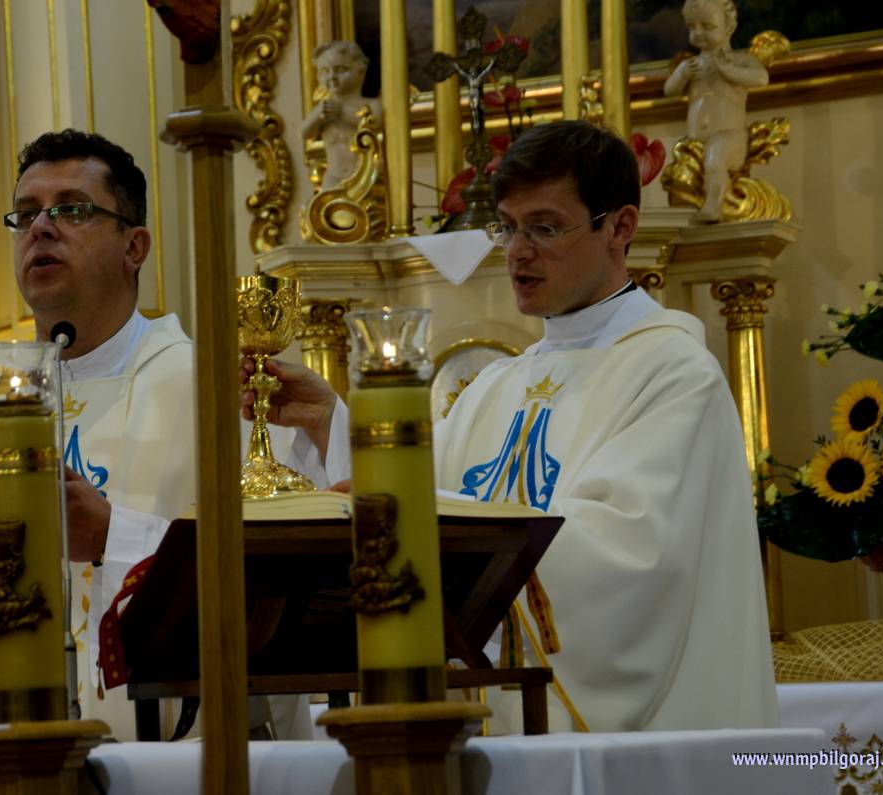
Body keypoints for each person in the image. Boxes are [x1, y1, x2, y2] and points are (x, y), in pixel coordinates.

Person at [253, 120, 779, 732]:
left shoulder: (673, 372)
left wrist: (428, 520)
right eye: (507, 226)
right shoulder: (500, 385)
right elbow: (420, 492)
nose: (516, 251)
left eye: (545, 228)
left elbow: (631, 556)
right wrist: (326, 422)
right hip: (483, 724)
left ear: (620, 228)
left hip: (632, 744)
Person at [0, 129, 348, 745]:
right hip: (13, 744)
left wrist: (111, 537)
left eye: (72, 210)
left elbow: (293, 564)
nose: (41, 227)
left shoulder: (219, 390)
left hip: (184, 753)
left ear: (134, 246)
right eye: (27, 213)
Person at [663, 0, 768, 222]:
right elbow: (669, 90)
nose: (698, 33)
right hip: (695, 143)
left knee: (716, 156)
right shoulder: (691, 66)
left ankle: (714, 205)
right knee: (687, 169)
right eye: (692, 27)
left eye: (707, 26)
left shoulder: (739, 60)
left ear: (729, 26)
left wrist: (730, 71)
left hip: (731, 137)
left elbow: (761, 78)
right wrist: (681, 74)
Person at [300, 41, 383, 189]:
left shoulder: (371, 104)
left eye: (340, 70)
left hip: (367, 175)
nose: (332, 76)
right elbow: (305, 133)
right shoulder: (323, 108)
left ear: (360, 71)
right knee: (327, 203)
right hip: (333, 176)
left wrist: (342, 112)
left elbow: (374, 124)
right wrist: (317, 116)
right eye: (325, 71)